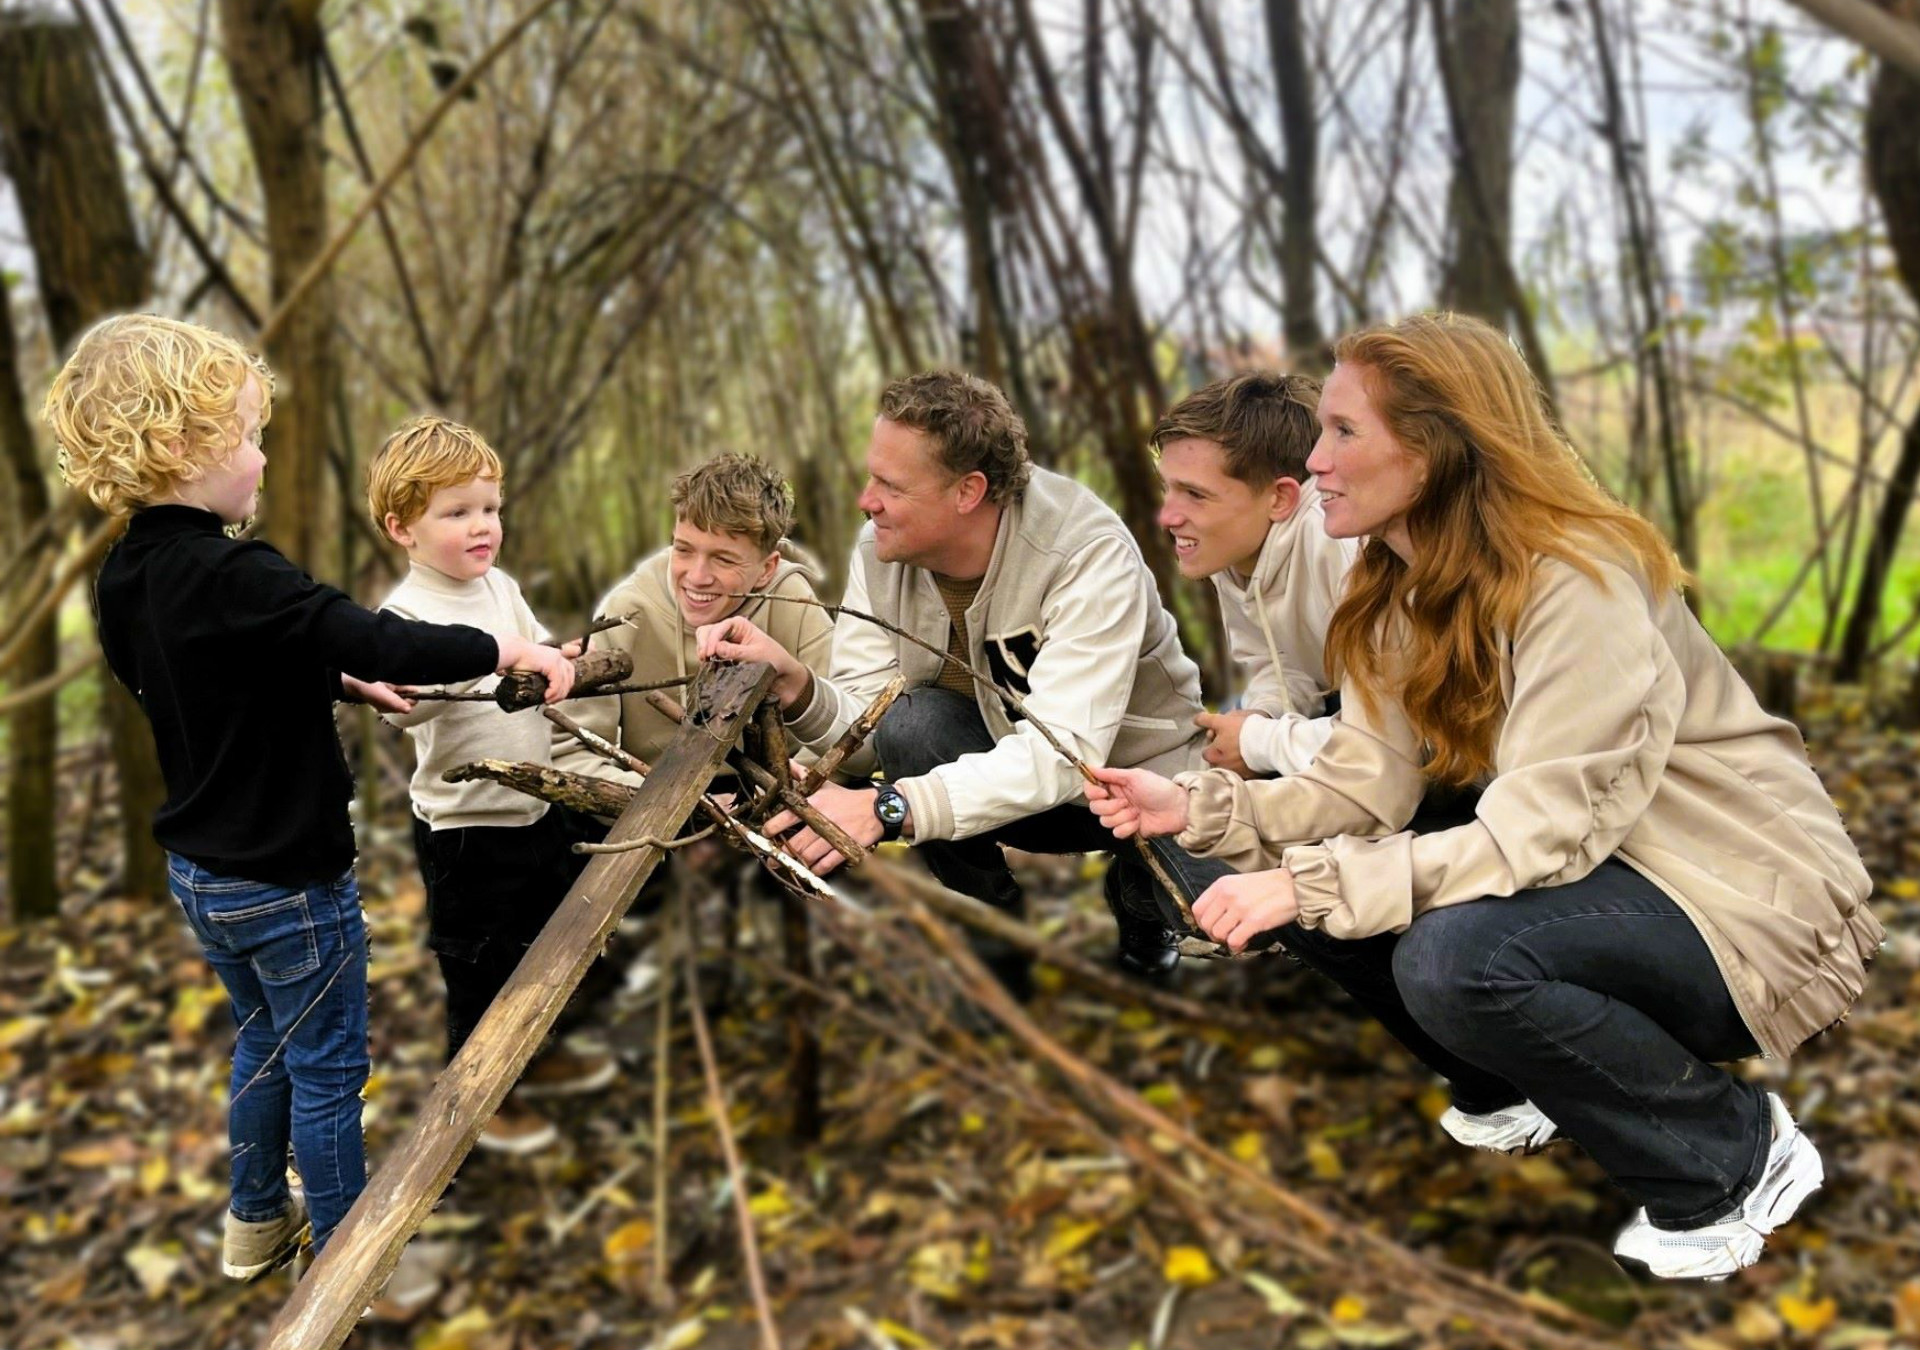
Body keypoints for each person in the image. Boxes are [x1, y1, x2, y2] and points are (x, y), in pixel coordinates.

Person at [1086, 312, 1880, 1281]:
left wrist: (1316, 889)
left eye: (1343, 433)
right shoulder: (1393, 582)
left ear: (1433, 450)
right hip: (1613, 871)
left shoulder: (1577, 577)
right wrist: (1201, 811)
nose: (1316, 459)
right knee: (1330, 886)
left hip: (1742, 900)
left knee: (1455, 958)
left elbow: (1535, 836)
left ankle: (1734, 1156)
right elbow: (1362, 781)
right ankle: (1536, 1080)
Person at [49, 315, 576, 1274]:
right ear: (180, 445)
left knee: (264, 1042)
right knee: (330, 1074)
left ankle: (253, 1224)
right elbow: (375, 636)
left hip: (205, 874)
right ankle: (348, 1260)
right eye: (248, 436)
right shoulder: (238, 569)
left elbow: (208, 675)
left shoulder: (126, 574)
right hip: (291, 878)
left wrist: (334, 683)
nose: (258, 458)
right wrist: (510, 650)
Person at [697, 370, 1219, 993]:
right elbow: (874, 736)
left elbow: (1064, 757)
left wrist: (889, 807)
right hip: (1000, 778)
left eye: (890, 485)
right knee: (914, 722)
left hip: (1140, 789)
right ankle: (992, 933)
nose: (867, 500)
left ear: (968, 490)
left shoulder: (1084, 551)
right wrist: (799, 684)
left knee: (1224, 914)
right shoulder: (881, 551)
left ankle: (1138, 897)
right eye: (872, 477)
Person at [369, 416, 632, 1156]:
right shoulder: (404, 618)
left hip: (533, 803)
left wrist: (560, 659)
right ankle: (474, 1101)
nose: (481, 526)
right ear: (403, 528)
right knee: (479, 963)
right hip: (464, 824)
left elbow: (533, 655)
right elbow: (406, 705)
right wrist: (455, 670)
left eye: (489, 508)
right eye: (456, 513)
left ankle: (534, 1062)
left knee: (543, 945)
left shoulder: (500, 587)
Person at [555, 452, 833, 774]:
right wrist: (662, 810)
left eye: (724, 559)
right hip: (646, 802)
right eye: (683, 550)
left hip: (771, 801)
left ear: (766, 569)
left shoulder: (794, 604)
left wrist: (770, 801)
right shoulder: (629, 609)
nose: (697, 576)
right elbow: (572, 751)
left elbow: (839, 735)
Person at [1153, 371, 1357, 777]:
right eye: (1168, 488)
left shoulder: (1339, 545)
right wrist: (1258, 718)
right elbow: (1282, 666)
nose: (1168, 516)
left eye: (1195, 494)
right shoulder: (1237, 547)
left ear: (1280, 498)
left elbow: (1395, 742)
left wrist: (1257, 743)